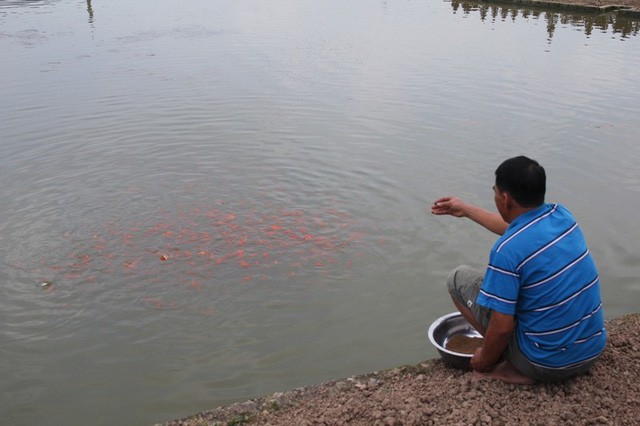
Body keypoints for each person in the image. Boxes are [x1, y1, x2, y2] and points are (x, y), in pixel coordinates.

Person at [431, 156, 606, 384]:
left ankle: (515, 366)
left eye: (495, 192)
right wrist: (465, 209)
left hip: (546, 365)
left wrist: (483, 361)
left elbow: (503, 328)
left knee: (457, 279)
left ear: (505, 199)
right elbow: (513, 228)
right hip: (591, 350)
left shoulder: (507, 251)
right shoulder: (562, 216)